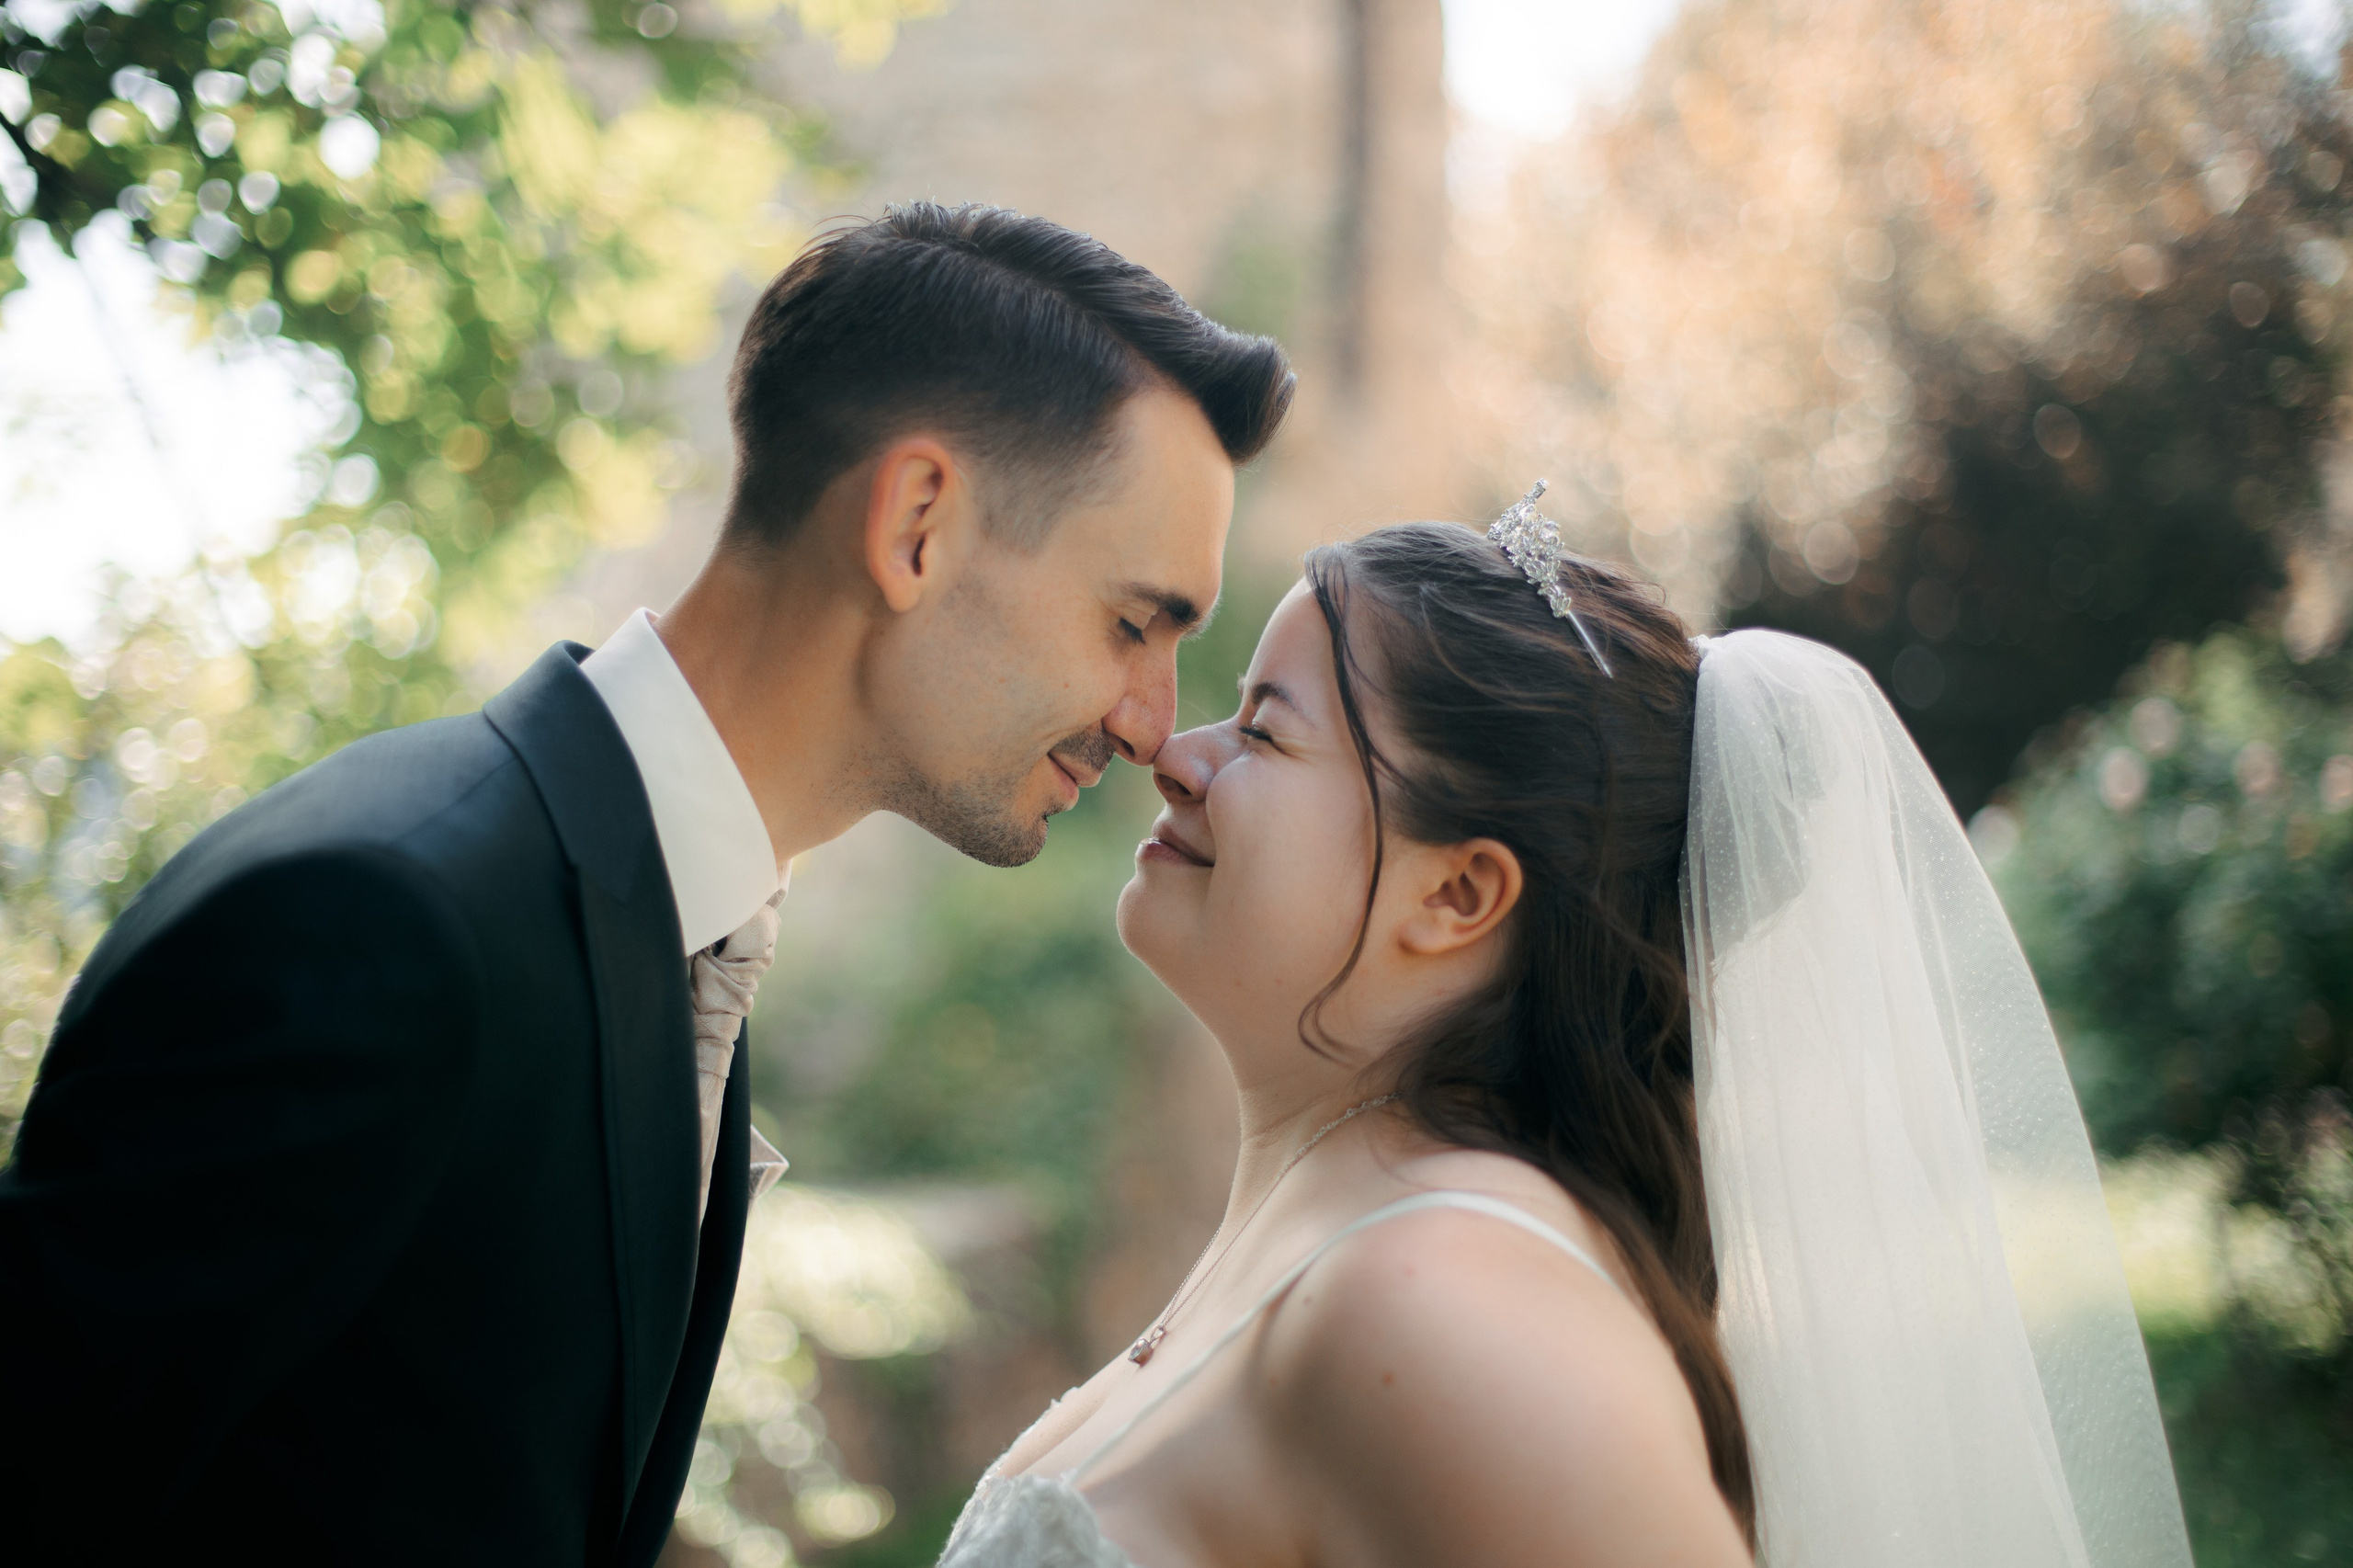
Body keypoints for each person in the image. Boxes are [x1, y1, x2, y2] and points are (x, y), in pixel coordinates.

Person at [0, 203, 1291, 1563]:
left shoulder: (677, 923)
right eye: (1135, 623)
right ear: (917, 525)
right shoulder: (375, 921)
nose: (1156, 719)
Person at [941, 506, 2192, 1567]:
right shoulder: (1347, 1239)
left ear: (1457, 895)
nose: (1170, 750)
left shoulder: (1435, 1300)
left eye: (1266, 730)